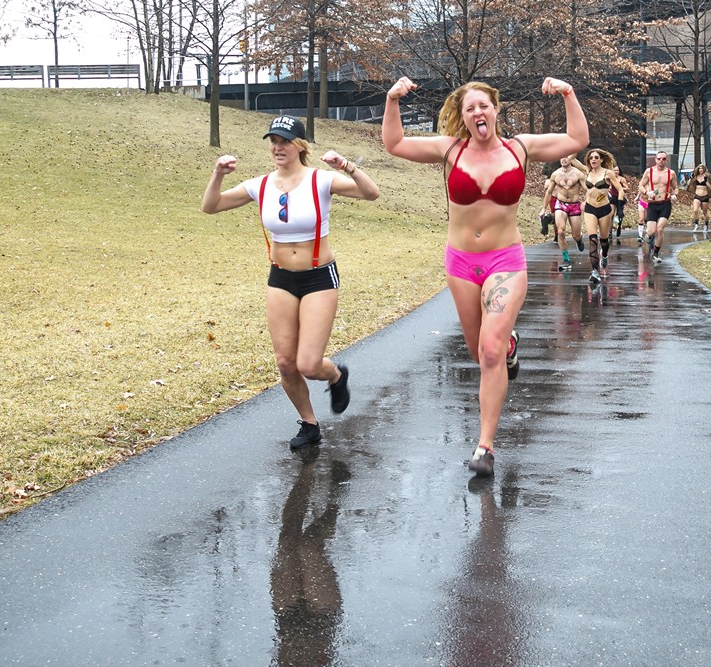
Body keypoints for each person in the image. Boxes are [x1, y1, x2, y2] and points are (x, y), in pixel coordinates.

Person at [382, 76, 589, 477]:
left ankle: (485, 446)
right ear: (463, 117)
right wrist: (392, 101)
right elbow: (395, 144)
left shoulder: (520, 148)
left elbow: (576, 138)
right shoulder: (450, 150)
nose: (478, 112)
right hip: (461, 263)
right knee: (481, 352)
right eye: (469, 108)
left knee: (489, 351)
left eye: (484, 105)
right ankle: (509, 342)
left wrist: (567, 93)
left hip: (505, 261)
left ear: (496, 109)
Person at [201, 115, 381, 449]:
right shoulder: (261, 185)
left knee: (309, 364)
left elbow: (371, 194)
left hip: (318, 277)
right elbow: (210, 206)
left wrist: (346, 165)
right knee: (285, 363)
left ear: (300, 146)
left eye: (285, 141)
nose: (278, 147)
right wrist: (218, 174)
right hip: (281, 278)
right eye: (273, 141)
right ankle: (309, 425)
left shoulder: (320, 180)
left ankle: (336, 375)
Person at [582, 148, 625, 283]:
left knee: (604, 240)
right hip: (590, 209)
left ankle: (604, 255)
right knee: (593, 240)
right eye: (591, 158)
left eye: (596, 157)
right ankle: (595, 271)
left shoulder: (608, 173)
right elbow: (571, 159)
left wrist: (619, 208)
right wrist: (578, 143)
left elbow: (620, 190)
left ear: (601, 160)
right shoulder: (586, 171)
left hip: (605, 209)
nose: (593, 160)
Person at [541, 154, 586, 271]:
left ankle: (579, 240)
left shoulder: (578, 174)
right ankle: (566, 260)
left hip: (574, 205)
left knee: (575, 235)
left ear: (570, 159)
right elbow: (549, 192)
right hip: (561, 204)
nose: (563, 159)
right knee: (560, 231)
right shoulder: (555, 174)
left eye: (566, 157)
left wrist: (585, 202)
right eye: (561, 157)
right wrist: (543, 209)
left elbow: (587, 190)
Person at [637, 151, 678, 263]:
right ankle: (648, 236)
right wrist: (646, 192)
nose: (661, 161)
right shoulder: (649, 171)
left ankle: (655, 253)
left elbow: (676, 188)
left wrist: (674, 195)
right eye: (659, 159)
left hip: (665, 203)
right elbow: (640, 185)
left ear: (666, 160)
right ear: (655, 160)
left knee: (660, 229)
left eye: (664, 159)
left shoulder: (671, 173)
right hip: (652, 204)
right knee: (651, 231)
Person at [689, 163, 711, 232]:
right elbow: (689, 184)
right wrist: (691, 178)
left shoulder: (706, 177)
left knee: (705, 212)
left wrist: (706, 182)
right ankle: (696, 224)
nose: (700, 170)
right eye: (699, 168)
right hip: (697, 195)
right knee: (695, 210)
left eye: (702, 168)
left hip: (705, 196)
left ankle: (706, 225)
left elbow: (710, 187)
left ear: (704, 170)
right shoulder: (696, 177)